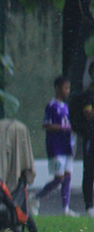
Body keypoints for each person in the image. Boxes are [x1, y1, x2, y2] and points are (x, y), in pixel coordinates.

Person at [34, 75, 78, 216]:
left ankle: (65, 208)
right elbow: (46, 124)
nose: (68, 91)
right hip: (56, 146)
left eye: (69, 88)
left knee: (67, 176)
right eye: (65, 88)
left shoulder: (65, 107)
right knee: (59, 178)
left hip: (66, 145)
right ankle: (35, 197)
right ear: (57, 88)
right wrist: (61, 128)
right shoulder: (51, 106)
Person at [68, 62, 94, 216]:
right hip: (90, 136)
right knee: (90, 170)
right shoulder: (87, 96)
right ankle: (89, 205)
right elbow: (87, 114)